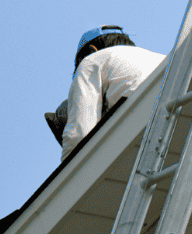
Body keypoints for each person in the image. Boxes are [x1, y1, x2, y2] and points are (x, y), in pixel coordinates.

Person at [52, 25, 164, 160]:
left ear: (92, 50)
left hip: (143, 124)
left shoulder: (90, 61)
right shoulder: (156, 57)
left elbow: (79, 134)